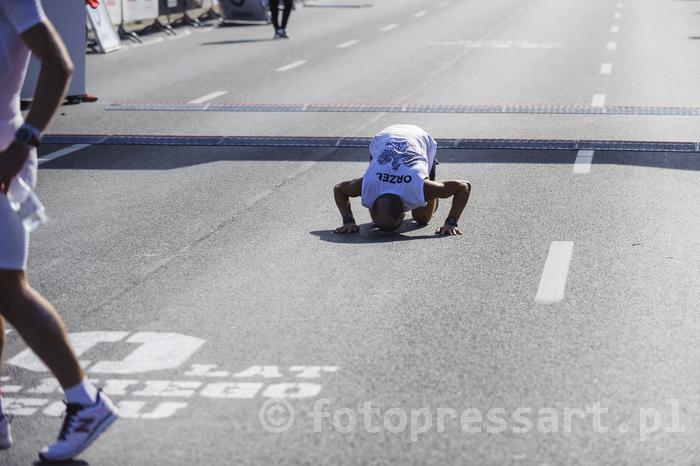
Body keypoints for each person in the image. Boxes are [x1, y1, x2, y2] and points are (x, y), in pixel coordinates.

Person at [0, 0, 117, 462]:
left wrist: (24, 142)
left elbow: (59, 62)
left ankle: (85, 401)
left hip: (4, 161)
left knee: (10, 291)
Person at [333, 125, 471, 235]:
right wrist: (348, 221)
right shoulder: (368, 186)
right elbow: (339, 188)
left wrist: (451, 223)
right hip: (384, 138)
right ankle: (430, 195)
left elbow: (463, 186)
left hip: (419, 138)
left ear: (403, 213)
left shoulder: (419, 187)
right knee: (385, 215)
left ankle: (434, 190)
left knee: (422, 219)